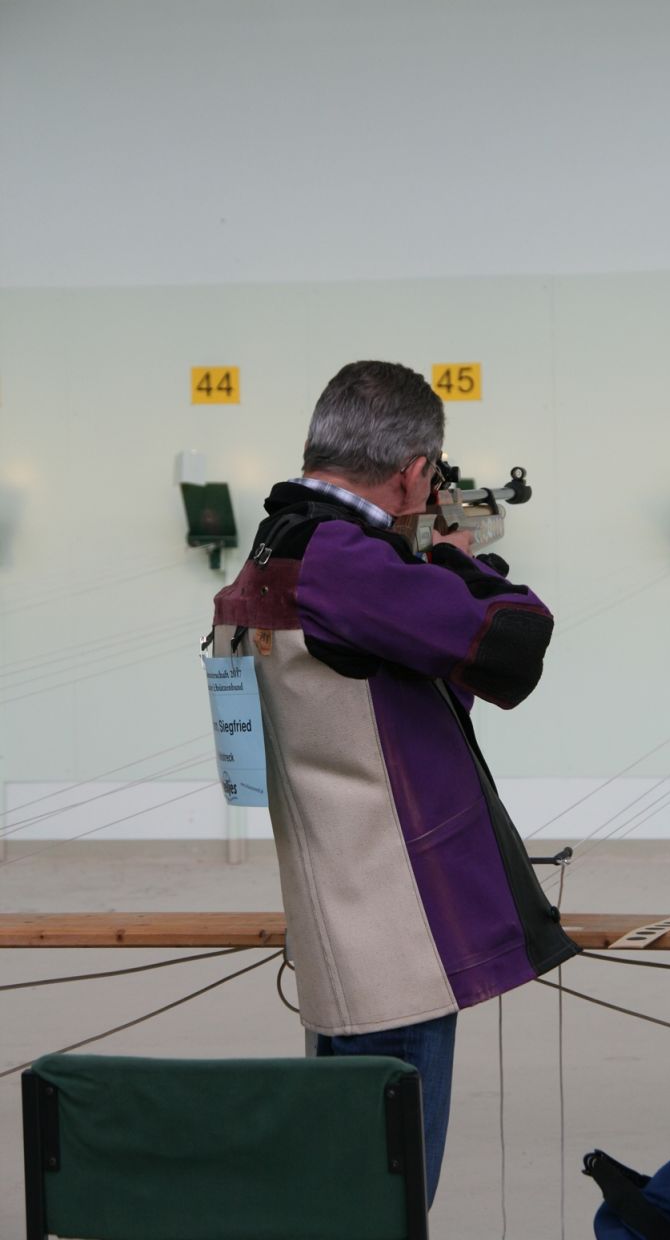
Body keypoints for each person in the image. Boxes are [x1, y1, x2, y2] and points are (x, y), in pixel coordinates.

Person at [211, 360, 578, 1205]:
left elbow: (393, 699)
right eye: (431, 475)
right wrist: (456, 560)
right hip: (398, 946)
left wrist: (421, 558)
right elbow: (513, 647)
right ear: (414, 473)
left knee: (350, 1200)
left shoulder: (276, 545)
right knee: (388, 1204)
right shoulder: (340, 559)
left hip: (346, 934)